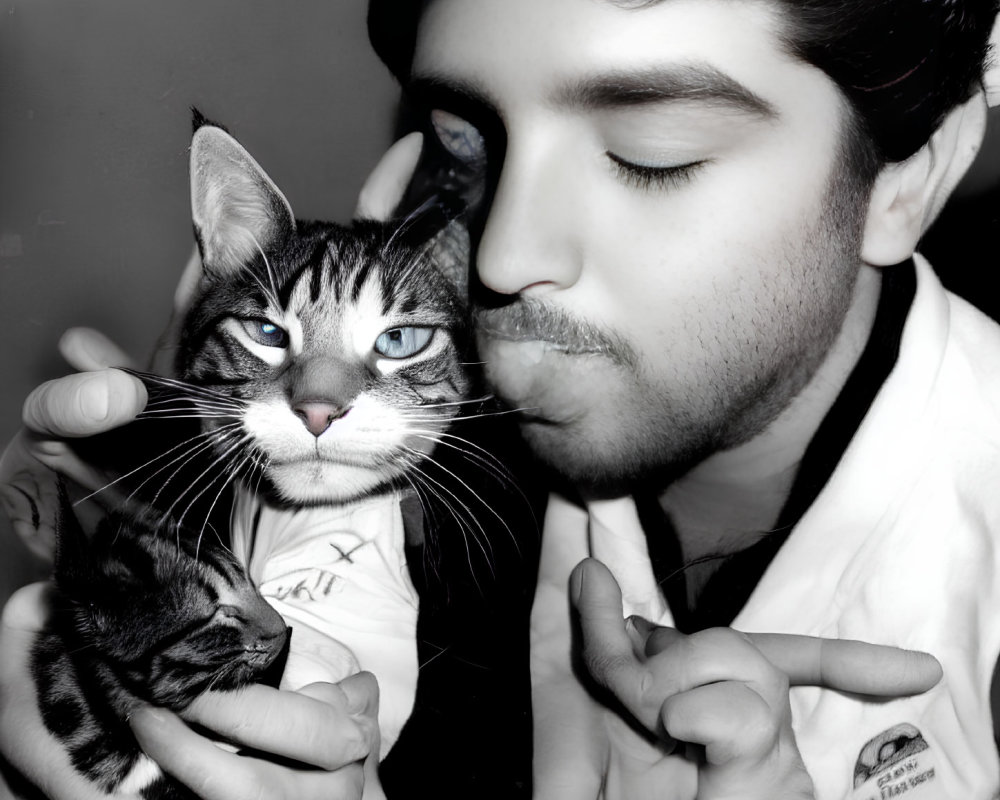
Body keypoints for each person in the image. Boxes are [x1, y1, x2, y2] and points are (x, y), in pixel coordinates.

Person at [3, 0, 1000, 798]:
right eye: (467, 151)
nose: (505, 254)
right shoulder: (446, 435)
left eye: (650, 153)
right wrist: (163, 521)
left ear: (906, 179)